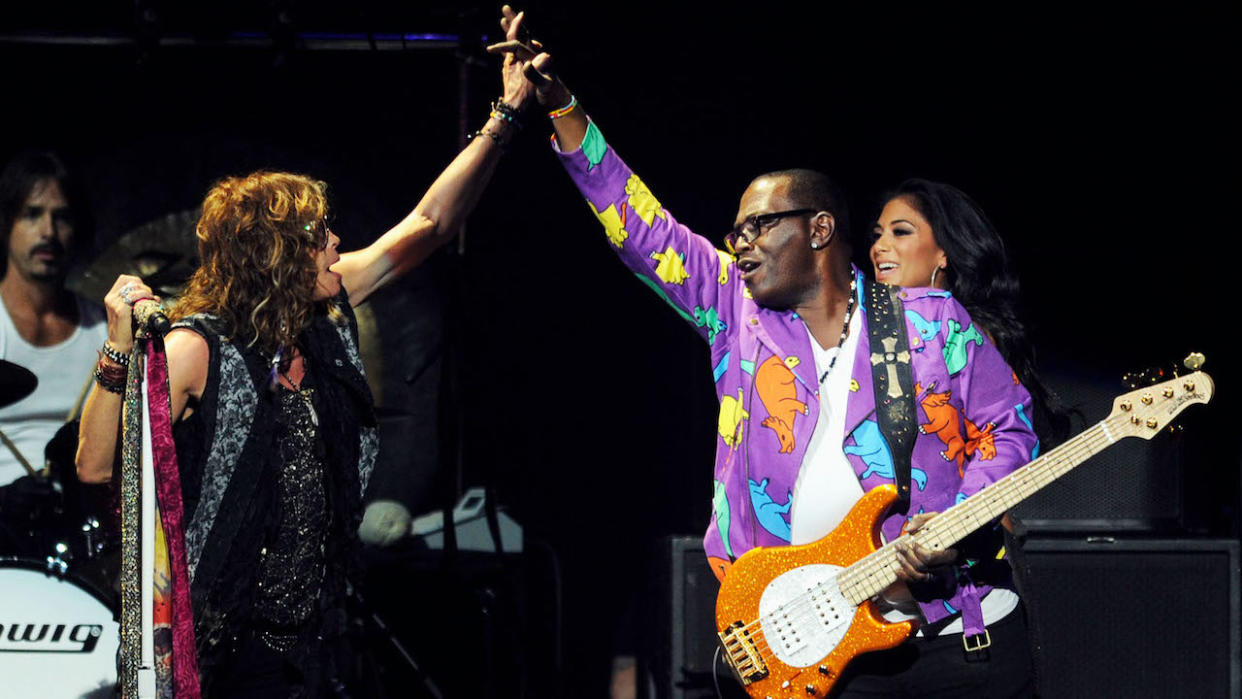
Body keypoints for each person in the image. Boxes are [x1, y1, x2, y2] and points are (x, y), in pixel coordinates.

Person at [494, 7, 1038, 696]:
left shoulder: (929, 320)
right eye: (735, 229)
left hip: (958, 644)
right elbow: (638, 224)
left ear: (819, 229)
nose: (740, 242)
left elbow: (1009, 426)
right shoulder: (736, 313)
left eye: (759, 225)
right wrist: (561, 105)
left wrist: (956, 522)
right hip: (822, 653)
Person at [75, 58, 536, 696]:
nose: (335, 242)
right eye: (319, 233)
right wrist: (118, 350)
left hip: (312, 641)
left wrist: (505, 115)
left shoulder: (323, 317)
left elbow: (430, 225)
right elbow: (97, 465)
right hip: (220, 649)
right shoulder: (195, 347)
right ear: (275, 254)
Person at [870, 179, 1069, 445]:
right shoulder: (869, 329)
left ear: (943, 253)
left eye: (901, 232)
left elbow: (998, 441)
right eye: (878, 235)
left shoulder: (969, 336)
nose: (878, 247)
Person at [0, 150, 107, 552]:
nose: (48, 230)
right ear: (5, 224)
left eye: (61, 217)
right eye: (32, 214)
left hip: (81, 537)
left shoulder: (104, 332)